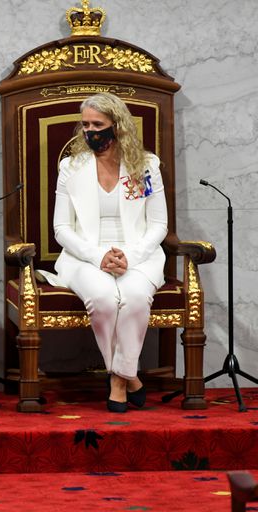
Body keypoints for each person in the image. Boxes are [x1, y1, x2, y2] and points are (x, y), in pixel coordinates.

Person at [52, 92, 167, 413]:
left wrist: (131, 255)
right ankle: (130, 377)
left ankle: (119, 379)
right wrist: (97, 256)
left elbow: (159, 224)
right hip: (84, 255)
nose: (90, 131)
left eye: (98, 124)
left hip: (138, 254)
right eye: (86, 125)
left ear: (117, 126)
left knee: (133, 297)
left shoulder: (145, 166)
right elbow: (61, 228)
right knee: (103, 299)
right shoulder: (71, 168)